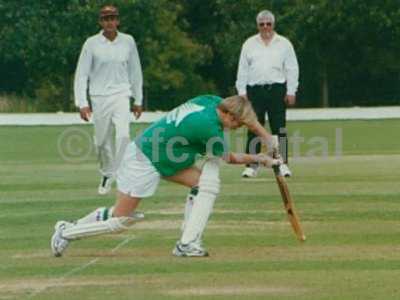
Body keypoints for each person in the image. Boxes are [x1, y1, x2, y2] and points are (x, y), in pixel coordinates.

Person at [51, 95, 282, 258]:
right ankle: (67, 232)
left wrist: (268, 139)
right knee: (120, 219)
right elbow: (228, 158)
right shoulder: (208, 127)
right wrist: (260, 159)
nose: (237, 128)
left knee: (202, 185)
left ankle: (188, 242)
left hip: (162, 155)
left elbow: (248, 119)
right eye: (237, 124)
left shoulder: (211, 101)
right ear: (229, 116)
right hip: (145, 160)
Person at [74, 5, 143, 195]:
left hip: (121, 94)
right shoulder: (91, 43)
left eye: (113, 18)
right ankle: (107, 173)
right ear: (100, 22)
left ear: (118, 21)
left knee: (123, 135)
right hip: (99, 96)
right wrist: (82, 102)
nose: (110, 22)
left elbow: (135, 71)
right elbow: (82, 74)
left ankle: (121, 174)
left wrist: (138, 99)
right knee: (102, 141)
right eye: (106, 19)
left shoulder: (128, 41)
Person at [236, 9, 299, 178]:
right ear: (258, 25)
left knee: (279, 127)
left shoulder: (284, 43)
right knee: (253, 127)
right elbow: (242, 69)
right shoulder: (249, 44)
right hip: (255, 90)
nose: (265, 27)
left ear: (273, 24)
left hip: (277, 90)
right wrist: (241, 91)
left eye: (268, 24)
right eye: (262, 24)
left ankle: (283, 163)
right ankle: (252, 164)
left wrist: (291, 90)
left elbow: (292, 68)